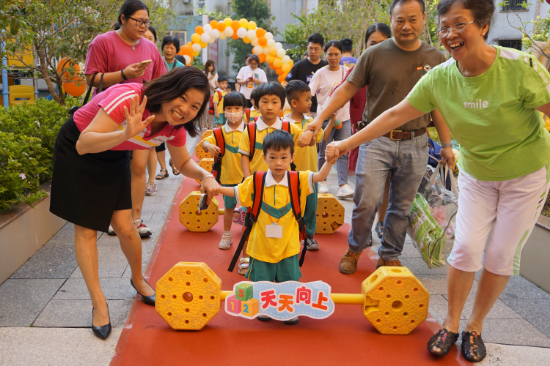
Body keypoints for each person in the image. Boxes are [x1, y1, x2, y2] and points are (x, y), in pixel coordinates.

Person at [326, 0, 550, 362]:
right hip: (477, 173)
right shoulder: (441, 76)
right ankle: (450, 323)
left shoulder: (519, 68)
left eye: (459, 25)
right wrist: (346, 143)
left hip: (525, 177)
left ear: (483, 26)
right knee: (464, 250)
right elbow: (395, 114)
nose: (450, 35)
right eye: (444, 28)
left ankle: (475, 327)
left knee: (499, 256)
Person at [50, 67, 220, 340]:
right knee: (87, 230)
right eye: (183, 98)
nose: (185, 109)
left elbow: (183, 163)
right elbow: (84, 144)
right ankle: (99, 304)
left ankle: (138, 280)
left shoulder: (174, 128)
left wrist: (206, 175)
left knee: (126, 227)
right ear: (170, 88)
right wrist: (125, 134)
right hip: (80, 148)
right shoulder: (129, 98)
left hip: (114, 154)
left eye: (194, 106)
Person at [301, 0, 452, 273]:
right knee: (365, 201)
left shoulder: (436, 58)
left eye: (413, 19)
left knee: (401, 206)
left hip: (416, 141)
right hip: (376, 140)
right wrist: (319, 119)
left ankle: (389, 255)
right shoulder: (374, 54)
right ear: (391, 19)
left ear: (424, 18)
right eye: (399, 20)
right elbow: (346, 90)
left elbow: (438, 106)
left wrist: (447, 144)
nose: (406, 26)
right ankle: (355, 248)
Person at [219, 130, 334, 324]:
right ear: (264, 157)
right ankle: (264, 307)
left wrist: (330, 160)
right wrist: (216, 187)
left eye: (283, 157)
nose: (278, 162)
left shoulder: (299, 179)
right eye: (273, 157)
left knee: (288, 279)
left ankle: (288, 309)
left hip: (288, 245)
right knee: (262, 279)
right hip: (261, 244)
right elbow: (235, 191)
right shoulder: (256, 181)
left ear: (292, 157)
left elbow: (321, 175)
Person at [84, 0, 166, 238]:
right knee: (111, 167)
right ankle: (112, 216)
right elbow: (91, 79)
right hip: (108, 114)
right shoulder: (103, 42)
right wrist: (124, 74)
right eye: (138, 21)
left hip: (140, 115)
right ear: (123, 19)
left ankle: (136, 219)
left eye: (146, 22)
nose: (143, 27)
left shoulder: (151, 49)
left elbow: (160, 81)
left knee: (138, 167)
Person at [237, 82, 313, 274]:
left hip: (284, 186)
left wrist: (311, 131)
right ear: (256, 104)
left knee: (283, 221)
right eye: (264, 102)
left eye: (274, 102)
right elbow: (244, 155)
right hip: (258, 186)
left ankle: (283, 257)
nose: (269, 106)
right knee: (252, 222)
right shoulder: (251, 129)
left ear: (282, 104)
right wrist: (249, 180)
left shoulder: (289, 127)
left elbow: (310, 137)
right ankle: (247, 257)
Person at [283, 80, 336, 251]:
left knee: (310, 208)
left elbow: (320, 138)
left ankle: (309, 236)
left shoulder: (313, 122)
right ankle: (288, 236)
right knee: (289, 206)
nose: (310, 102)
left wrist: (332, 120)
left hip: (311, 174)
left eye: (310, 99)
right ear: (294, 103)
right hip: (289, 175)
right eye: (306, 99)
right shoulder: (283, 124)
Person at [309, 40, 353, 199]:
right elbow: (309, 94)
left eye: (336, 54)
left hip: (345, 119)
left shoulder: (348, 72)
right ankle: (322, 182)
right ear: (325, 54)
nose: (333, 57)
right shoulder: (320, 73)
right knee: (323, 151)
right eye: (330, 54)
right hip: (325, 120)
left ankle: (343, 185)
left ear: (342, 54)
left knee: (343, 151)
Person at [202, 91, 246, 249]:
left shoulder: (250, 131)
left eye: (237, 108)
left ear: (243, 109)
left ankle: (248, 235)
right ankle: (226, 233)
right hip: (228, 177)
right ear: (224, 109)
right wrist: (208, 145)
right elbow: (205, 142)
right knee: (228, 207)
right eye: (229, 108)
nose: (233, 112)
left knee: (250, 207)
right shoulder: (219, 132)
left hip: (248, 178)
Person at [154, 36, 186, 184]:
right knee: (158, 136)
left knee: (174, 134)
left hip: (174, 107)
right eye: (167, 46)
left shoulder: (180, 66)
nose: (169, 50)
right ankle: (163, 168)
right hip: (158, 105)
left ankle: (174, 160)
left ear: (176, 50)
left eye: (172, 47)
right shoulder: (156, 61)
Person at [286, 33, 328, 117]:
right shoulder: (299, 66)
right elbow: (286, 84)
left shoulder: (326, 66)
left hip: (322, 111)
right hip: (302, 111)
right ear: (307, 48)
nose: (313, 52)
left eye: (316, 49)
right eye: (310, 48)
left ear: (322, 49)